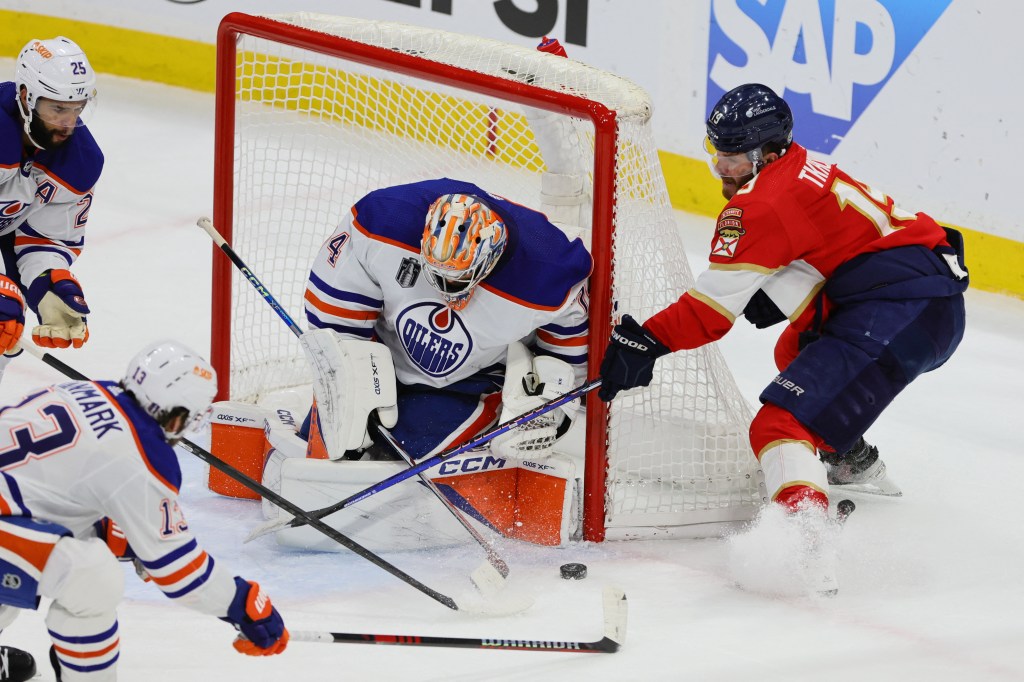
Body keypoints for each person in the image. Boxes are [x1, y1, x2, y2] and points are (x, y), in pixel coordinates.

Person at [598, 83, 968, 571]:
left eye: (735, 155)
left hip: (906, 311)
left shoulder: (760, 204)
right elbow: (836, 237)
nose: (722, 168)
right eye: (717, 151)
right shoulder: (798, 164)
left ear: (769, 151)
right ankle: (848, 456)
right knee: (794, 351)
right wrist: (793, 285)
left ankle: (803, 540)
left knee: (778, 422)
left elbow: (708, 315)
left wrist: (644, 341)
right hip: (914, 291)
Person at [0, 340, 288, 681]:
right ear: (177, 414)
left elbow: (43, 492)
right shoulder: (143, 454)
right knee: (91, 577)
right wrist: (241, 602)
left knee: (43, 553)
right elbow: (178, 569)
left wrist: (109, 531)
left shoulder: (89, 390)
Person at [300, 178, 592, 461]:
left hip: (474, 383)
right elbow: (334, 312)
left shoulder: (548, 271)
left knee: (399, 456)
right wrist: (352, 376)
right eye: (435, 273)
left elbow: (569, 344)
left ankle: (485, 416)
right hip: (383, 365)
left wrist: (547, 401)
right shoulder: (384, 220)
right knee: (328, 443)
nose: (444, 289)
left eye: (457, 279)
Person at [0, 36, 104, 382]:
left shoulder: (79, 161)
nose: (68, 124)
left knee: (4, 328)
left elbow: (43, 239)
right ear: (27, 98)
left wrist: (46, 283)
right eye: (58, 109)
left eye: (77, 109)